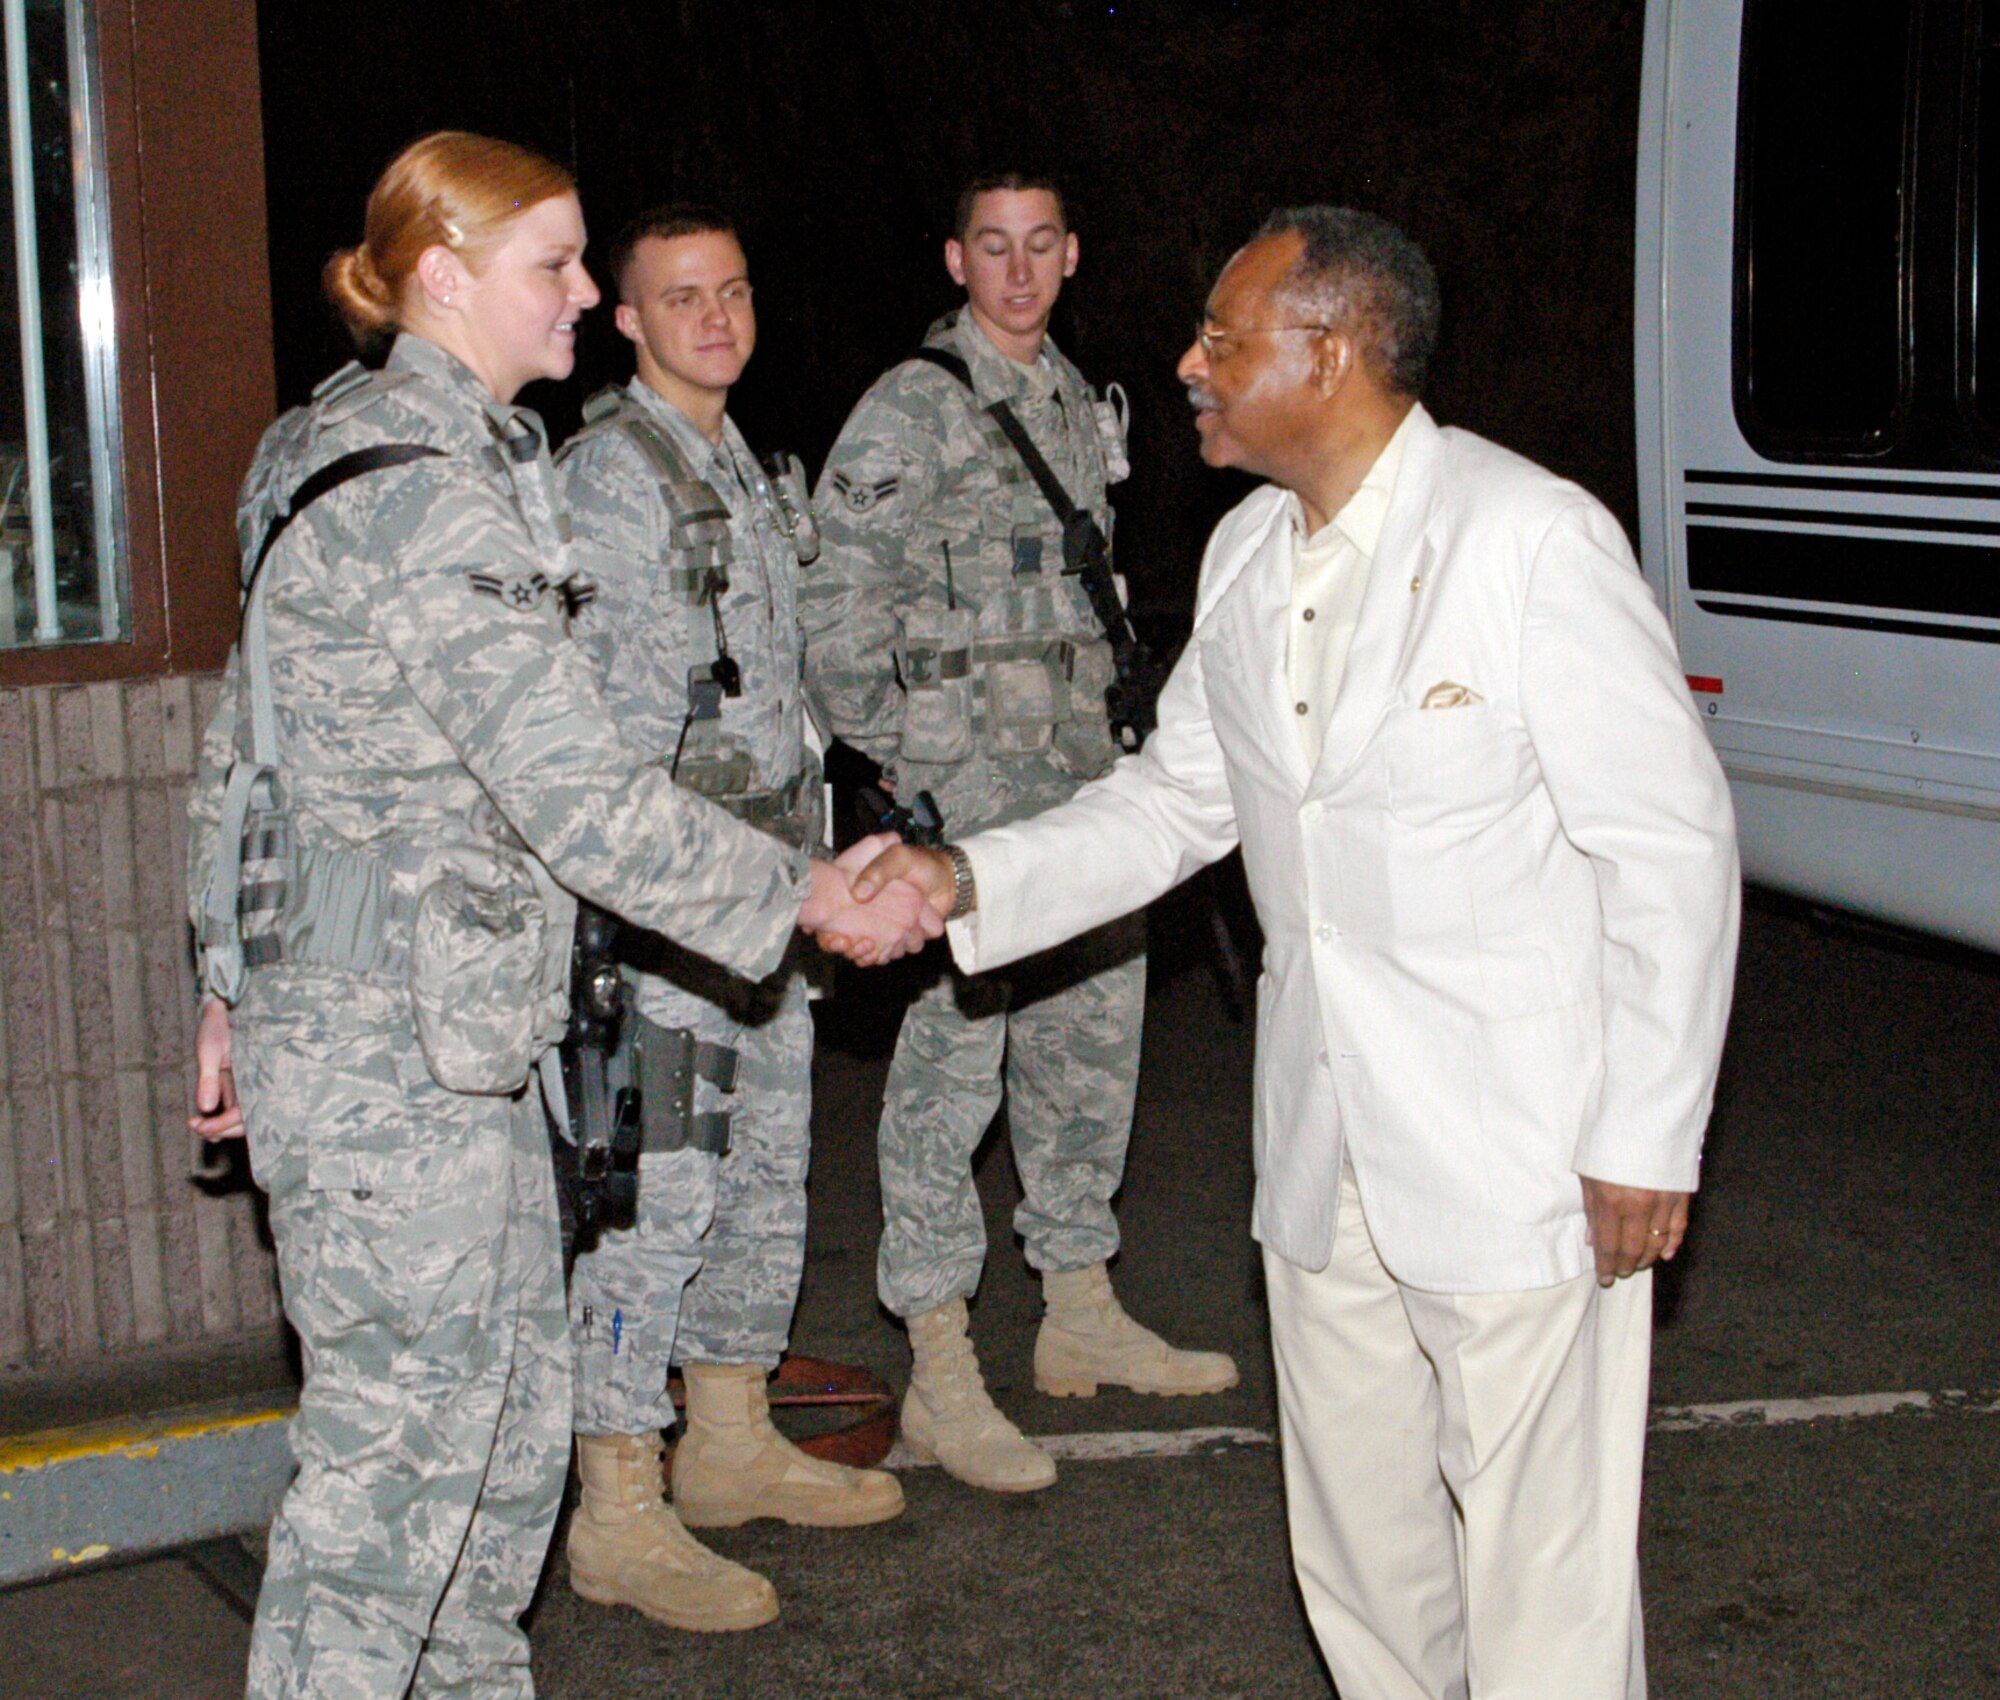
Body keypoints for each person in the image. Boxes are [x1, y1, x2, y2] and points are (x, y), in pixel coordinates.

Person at [848, 206, 1741, 1698]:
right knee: (1365, 1563)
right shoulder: (1255, 550)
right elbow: (1172, 803)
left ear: (1326, 353)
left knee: (1545, 1587)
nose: (1188, 364)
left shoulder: (1528, 539)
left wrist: (1646, 1133)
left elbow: (1668, 847)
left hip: (1523, 1154)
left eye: (1222, 336)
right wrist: (962, 879)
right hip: (1326, 1159)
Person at [184, 133, 930, 1700]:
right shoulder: (418, 491)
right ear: (446, 279)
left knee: (506, 1450)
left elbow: (244, 741)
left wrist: (223, 977)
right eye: (559, 265)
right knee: (396, 1487)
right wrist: (799, 892)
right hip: (387, 1060)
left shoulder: (382, 445)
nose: (591, 293)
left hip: (446, 1033)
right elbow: (579, 796)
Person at [800, 171, 1237, 1495]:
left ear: (1069, 254)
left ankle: (1080, 1307)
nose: (1018, 268)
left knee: (1094, 1040)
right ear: (955, 259)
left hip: (1078, 780)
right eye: (992, 246)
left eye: (1040, 244)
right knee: (951, 1077)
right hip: (966, 801)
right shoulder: (912, 408)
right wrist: (916, 759)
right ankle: (939, 1359)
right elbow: (831, 611)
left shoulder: (1077, 395)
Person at [553, 205, 902, 1635]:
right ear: (626, 320)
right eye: (681, 298)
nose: (716, 318)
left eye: (735, 291)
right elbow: (595, 747)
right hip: (662, 922)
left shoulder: (746, 467)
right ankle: (617, 1504)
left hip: (766, 904)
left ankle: (733, 1437)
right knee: (656, 1204)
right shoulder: (604, 482)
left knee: (764, 1179)